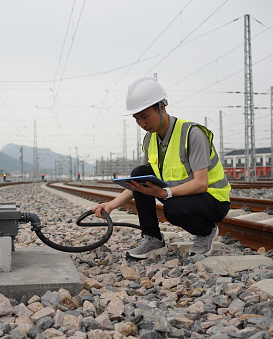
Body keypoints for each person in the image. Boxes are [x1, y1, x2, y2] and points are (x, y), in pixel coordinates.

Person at [93, 77, 231, 259]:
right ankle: (152, 237)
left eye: (144, 116)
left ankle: (206, 232)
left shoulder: (192, 133)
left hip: (212, 200)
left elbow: (201, 184)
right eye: (136, 118)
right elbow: (139, 184)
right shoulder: (150, 139)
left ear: (162, 107)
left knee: (172, 208)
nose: (142, 124)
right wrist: (111, 205)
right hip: (180, 196)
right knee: (139, 173)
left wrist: (164, 194)